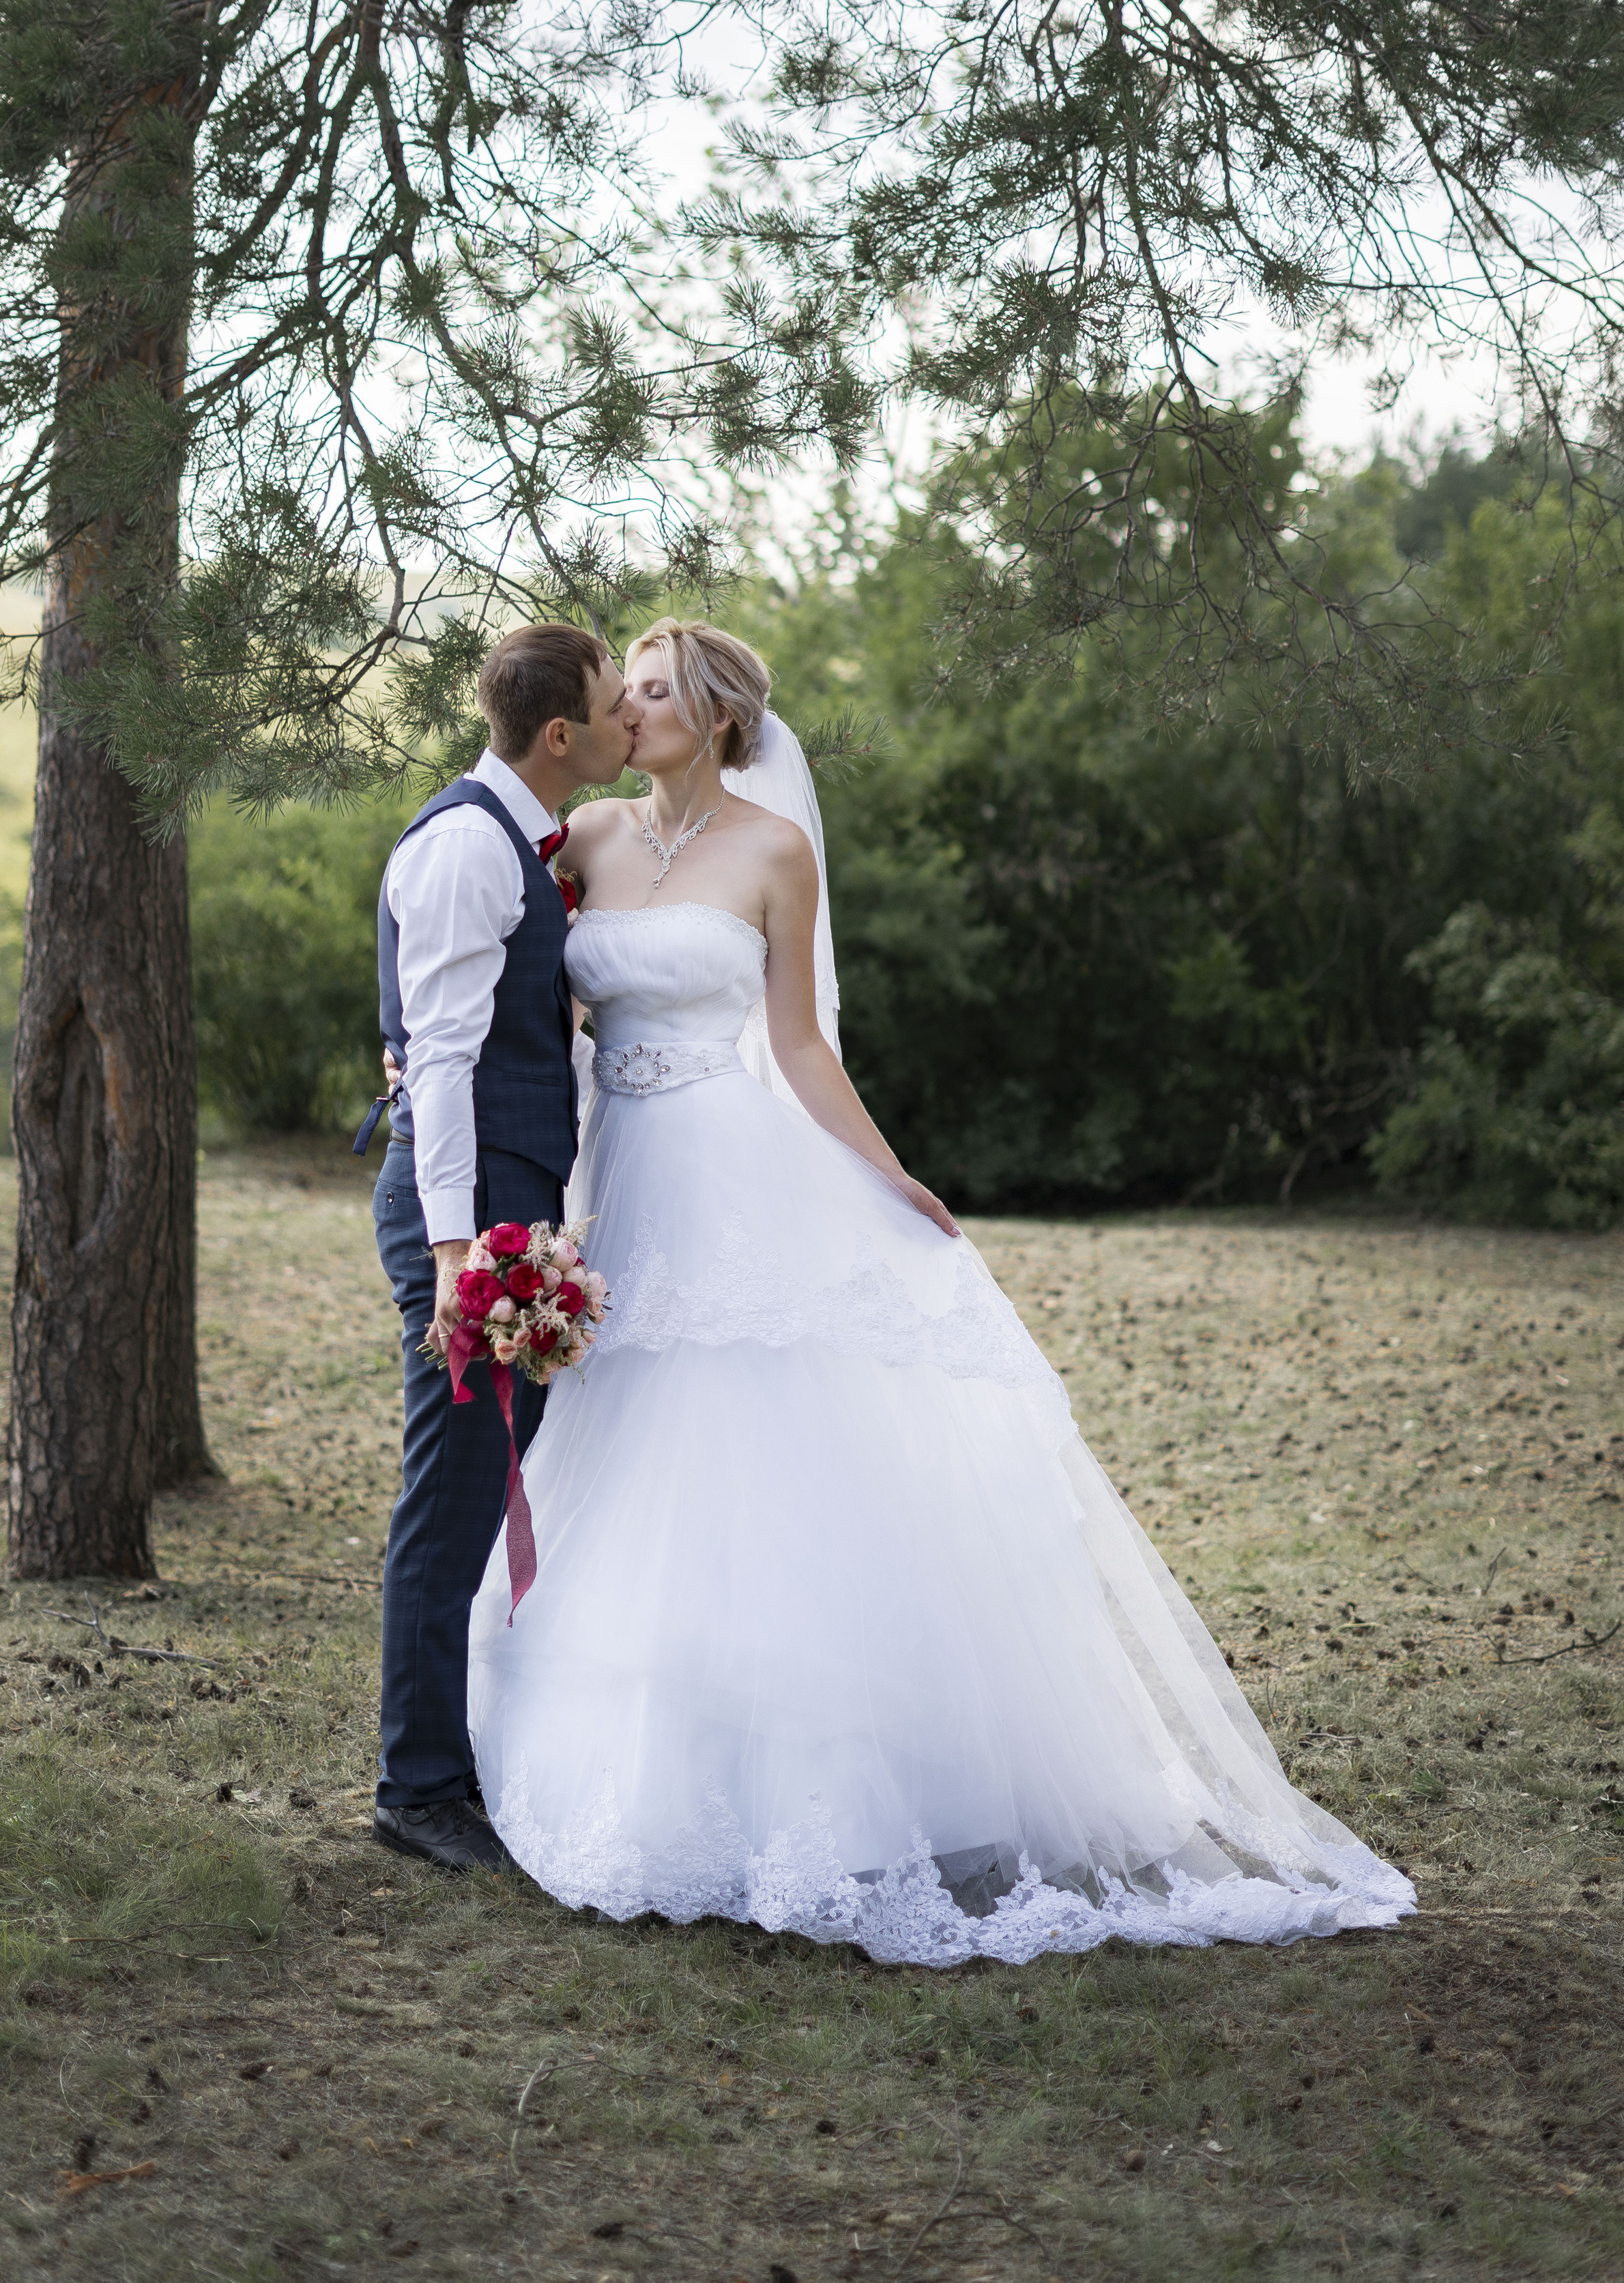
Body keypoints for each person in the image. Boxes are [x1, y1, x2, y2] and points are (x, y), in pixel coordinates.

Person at [465, 618, 1415, 1964]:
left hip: (734, 1177)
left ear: (720, 717)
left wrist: (889, 1179)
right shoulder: (595, 842)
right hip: (619, 1180)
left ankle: (816, 1780)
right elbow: (532, 1004)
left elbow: (795, 1045)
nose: (630, 704)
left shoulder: (773, 852)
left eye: (657, 689)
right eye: (629, 689)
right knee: (621, 1442)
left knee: (740, 1446)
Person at [362, 622, 635, 1872]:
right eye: (613, 704)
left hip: (507, 1204)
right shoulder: (473, 843)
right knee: (456, 1488)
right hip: (465, 1223)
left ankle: (460, 1758)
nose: (634, 718)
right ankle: (416, 1789)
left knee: (490, 1476)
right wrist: (466, 1254)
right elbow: (447, 1062)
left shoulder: (520, 843)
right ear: (562, 734)